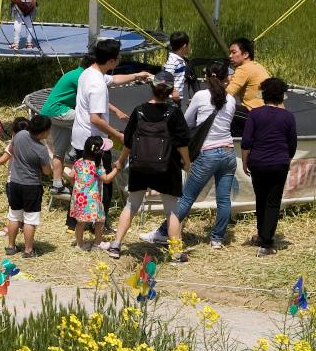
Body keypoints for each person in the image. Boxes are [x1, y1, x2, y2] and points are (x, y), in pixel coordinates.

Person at [143, 60, 237, 250]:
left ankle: (163, 232)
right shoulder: (232, 99)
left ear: (208, 77)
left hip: (207, 153)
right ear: (225, 78)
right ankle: (217, 238)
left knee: (186, 198)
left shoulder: (201, 96)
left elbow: (186, 122)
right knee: (224, 199)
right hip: (229, 152)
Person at [107, 76, 191, 261]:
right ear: (170, 91)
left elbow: (128, 142)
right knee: (171, 211)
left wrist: (121, 161)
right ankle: (176, 253)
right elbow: (182, 142)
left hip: (140, 165)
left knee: (132, 205)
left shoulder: (138, 111)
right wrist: (187, 162)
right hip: (167, 167)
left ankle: (115, 245)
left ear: (151, 89)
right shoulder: (174, 112)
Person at [41, 55, 144, 196]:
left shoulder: (77, 74)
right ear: (92, 66)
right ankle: (78, 154)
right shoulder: (83, 76)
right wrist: (117, 130)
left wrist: (137, 76)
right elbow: (95, 110)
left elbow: (113, 81)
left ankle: (57, 185)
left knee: (58, 152)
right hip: (60, 111)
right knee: (90, 120)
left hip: (49, 112)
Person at [70, 39, 149, 223]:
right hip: (94, 142)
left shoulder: (89, 72)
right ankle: (99, 223)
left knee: (82, 184)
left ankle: (76, 222)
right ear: (112, 60)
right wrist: (118, 134)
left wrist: (138, 75)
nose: (120, 59)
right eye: (119, 57)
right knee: (103, 186)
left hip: (81, 137)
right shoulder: (97, 86)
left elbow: (114, 79)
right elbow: (96, 119)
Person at [242, 78, 297, 256]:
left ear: (263, 95)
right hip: (279, 163)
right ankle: (266, 242)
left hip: (258, 162)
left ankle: (261, 235)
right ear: (281, 96)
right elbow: (292, 144)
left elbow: (246, 142)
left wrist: (244, 162)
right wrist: (287, 160)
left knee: (261, 199)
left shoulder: (255, 114)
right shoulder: (288, 116)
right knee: (273, 202)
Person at [0, 114, 53, 257]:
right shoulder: (41, 149)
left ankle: (11, 246)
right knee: (30, 219)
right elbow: (46, 171)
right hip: (31, 186)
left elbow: (13, 150)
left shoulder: (20, 135)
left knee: (14, 216)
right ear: (43, 132)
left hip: (14, 183)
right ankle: (28, 250)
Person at [66, 136, 111, 251]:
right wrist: (117, 169)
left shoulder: (78, 162)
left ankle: (79, 245)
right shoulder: (97, 165)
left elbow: (71, 176)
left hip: (79, 197)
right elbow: (106, 179)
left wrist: (77, 183)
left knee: (80, 222)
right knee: (100, 220)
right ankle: (97, 243)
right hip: (92, 199)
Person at [226, 37, 270, 136]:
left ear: (245, 54)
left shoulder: (243, 69)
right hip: (269, 114)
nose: (230, 56)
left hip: (256, 113)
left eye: (233, 52)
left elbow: (227, 93)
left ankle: (240, 141)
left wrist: (203, 101)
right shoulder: (257, 66)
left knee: (222, 109)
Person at [162, 31, 190, 102]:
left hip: (176, 98)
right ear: (184, 46)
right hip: (171, 99)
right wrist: (173, 92)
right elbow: (165, 79)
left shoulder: (180, 60)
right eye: (188, 45)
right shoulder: (173, 61)